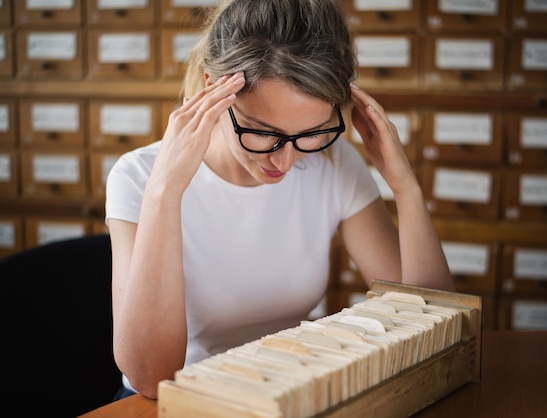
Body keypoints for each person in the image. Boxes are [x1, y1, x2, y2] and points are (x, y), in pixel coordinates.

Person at [105, 0, 454, 401]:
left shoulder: (332, 160)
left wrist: (405, 188)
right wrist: (165, 192)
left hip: (283, 394)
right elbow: (151, 378)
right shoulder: (139, 176)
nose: (285, 161)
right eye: (262, 132)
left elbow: (430, 319)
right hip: (181, 402)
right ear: (212, 89)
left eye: (311, 133)